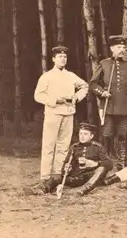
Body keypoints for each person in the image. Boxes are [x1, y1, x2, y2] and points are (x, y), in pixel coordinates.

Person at [89, 35, 127, 171]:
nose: (122, 49)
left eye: (123, 47)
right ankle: (104, 163)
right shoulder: (104, 64)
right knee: (107, 134)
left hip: (125, 107)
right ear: (112, 48)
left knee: (123, 135)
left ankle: (122, 162)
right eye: (119, 47)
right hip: (109, 106)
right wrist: (102, 92)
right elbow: (93, 84)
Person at [33, 46, 89, 185]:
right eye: (59, 57)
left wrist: (77, 97)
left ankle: (58, 174)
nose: (63, 59)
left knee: (63, 145)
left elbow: (85, 86)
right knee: (49, 145)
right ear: (53, 59)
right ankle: (45, 177)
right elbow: (38, 95)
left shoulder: (70, 75)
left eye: (64, 57)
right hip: (53, 113)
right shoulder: (47, 76)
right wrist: (54, 100)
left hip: (68, 113)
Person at [22, 122, 113, 196]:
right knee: (56, 177)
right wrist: (67, 167)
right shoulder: (74, 147)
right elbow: (66, 163)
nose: (82, 136)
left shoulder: (97, 147)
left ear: (91, 136)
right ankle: (41, 190)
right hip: (75, 178)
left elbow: (109, 164)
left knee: (102, 168)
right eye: (80, 133)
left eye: (85, 134)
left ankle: (84, 190)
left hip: (88, 178)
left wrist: (95, 163)